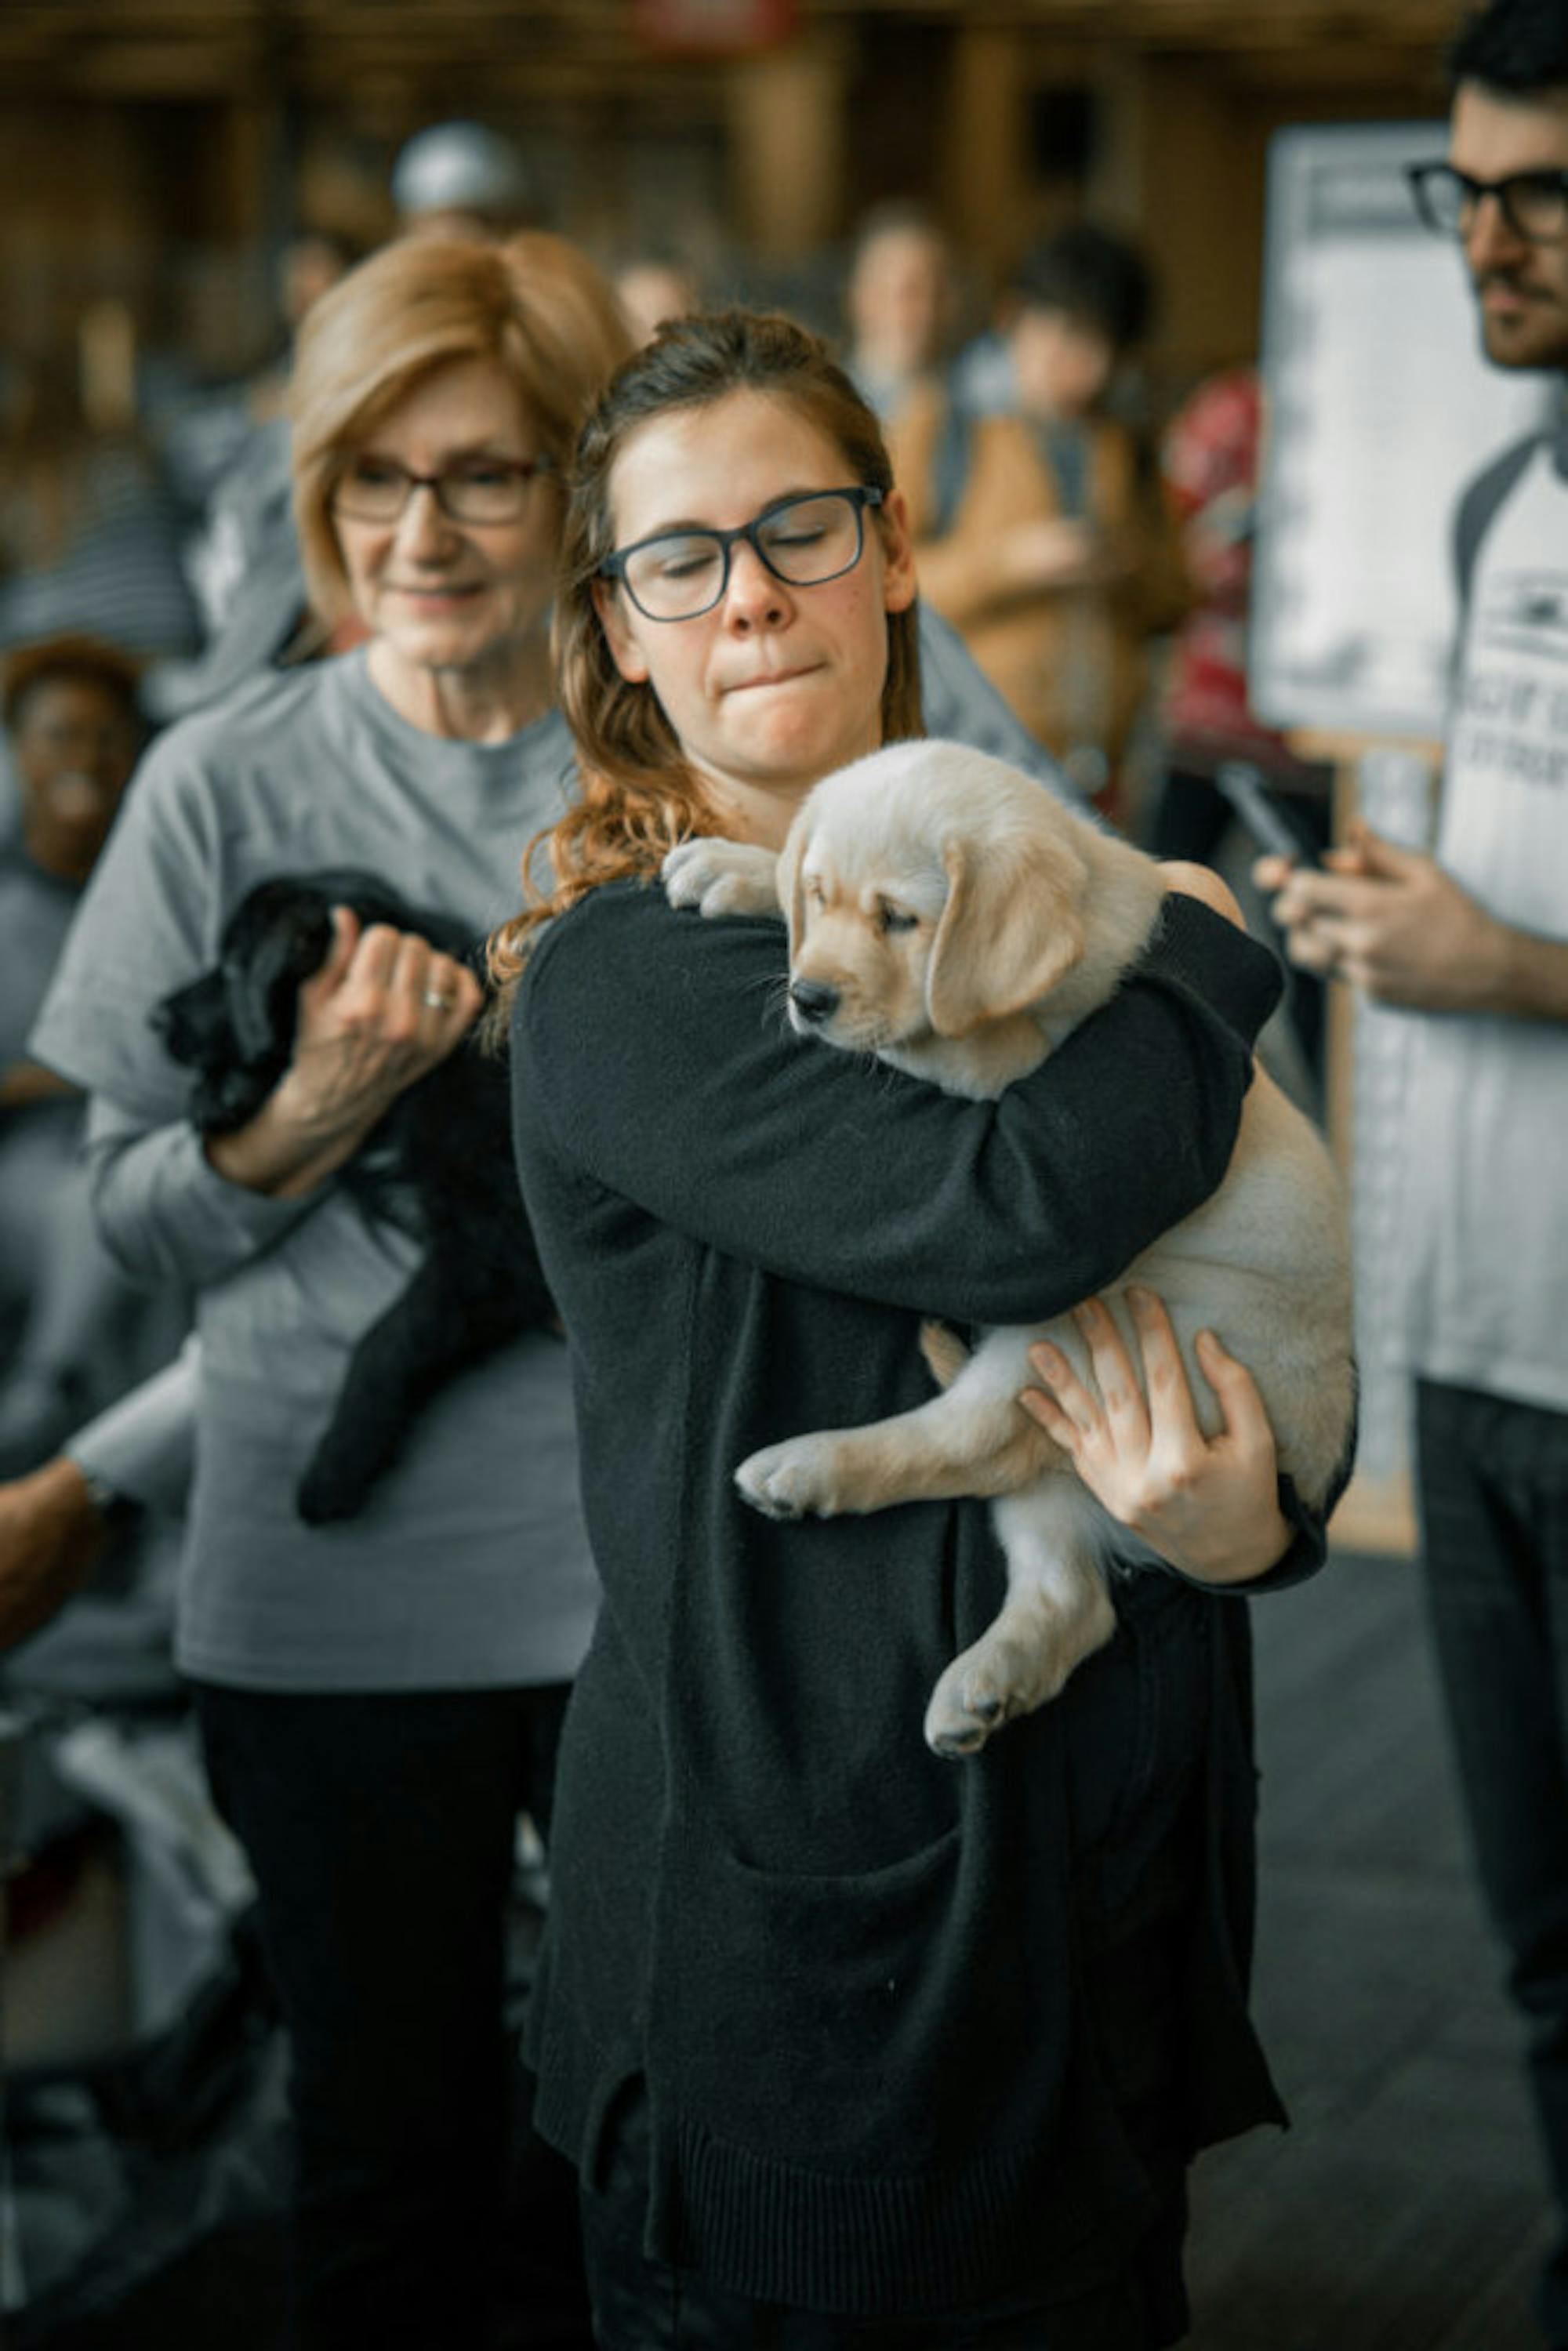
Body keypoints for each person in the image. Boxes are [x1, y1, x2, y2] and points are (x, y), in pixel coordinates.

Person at [492, 309, 1338, 2349]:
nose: (753, 588)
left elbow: (1206, 1291)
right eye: (681, 556)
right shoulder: (632, 979)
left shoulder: (988, 874)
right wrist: (1208, 960)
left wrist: (1258, 1525)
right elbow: (1020, 1199)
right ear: (617, 630)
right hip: (810, 1974)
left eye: (798, 522)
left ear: (891, 552)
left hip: (1082, 1900)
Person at [28, 230, 631, 2351]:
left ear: (576, 485)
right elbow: (130, 1211)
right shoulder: (226, 775)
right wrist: (304, 1118)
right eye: (371, 478)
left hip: (634, 1584)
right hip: (329, 1599)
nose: (421, 530)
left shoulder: (663, 773)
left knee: (628, 2165)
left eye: (480, 472)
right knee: (384, 2161)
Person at [1258, 5, 1568, 2342]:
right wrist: (1399, 915)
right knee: (1545, 1947)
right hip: (1469, 1339)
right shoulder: (1498, 502)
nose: (1493, 239)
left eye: (1541, 189)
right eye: (1463, 191)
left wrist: (1519, 963)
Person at [909, 225, 1187, 807]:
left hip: (1102, 768)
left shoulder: (1124, 443)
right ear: (1015, 319)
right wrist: (1010, 563)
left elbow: (1176, 595)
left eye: (1103, 348)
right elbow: (885, 583)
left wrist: (1126, 564)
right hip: (975, 764)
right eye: (1066, 338)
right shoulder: (943, 427)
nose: (1085, 369)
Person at [0, 636, 162, 1474]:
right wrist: (64, 1074)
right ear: (19, 749)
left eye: (107, 736)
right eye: (60, 735)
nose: (86, 759)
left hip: (143, 1138)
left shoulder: (162, 882)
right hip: (28, 1161)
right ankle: (46, 1391)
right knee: (89, 1207)